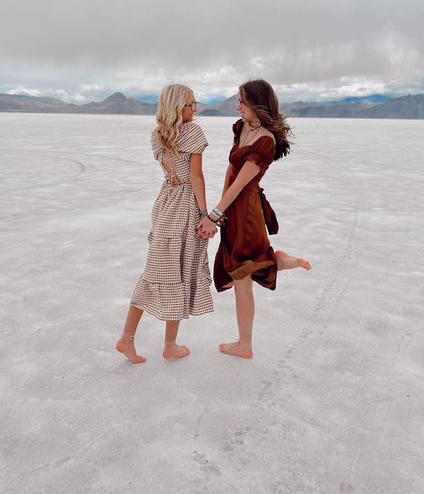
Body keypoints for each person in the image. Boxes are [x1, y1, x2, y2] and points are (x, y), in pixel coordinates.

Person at [197, 79, 311, 359]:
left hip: (246, 210)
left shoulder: (265, 141)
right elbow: (230, 170)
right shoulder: (243, 127)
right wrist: (219, 211)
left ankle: (245, 344)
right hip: (231, 209)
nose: (238, 107)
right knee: (242, 273)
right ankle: (245, 342)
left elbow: (242, 183)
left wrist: (215, 214)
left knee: (242, 274)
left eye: (242, 102)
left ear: (257, 104)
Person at [116, 84, 215, 363]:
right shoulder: (193, 132)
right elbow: (196, 177)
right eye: (189, 104)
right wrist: (205, 213)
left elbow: (173, 172)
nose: (194, 109)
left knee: (165, 272)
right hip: (184, 206)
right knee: (168, 273)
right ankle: (144, 342)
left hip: (164, 205)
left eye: (195, 104)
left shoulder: (158, 134)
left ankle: (156, 343)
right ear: (175, 106)